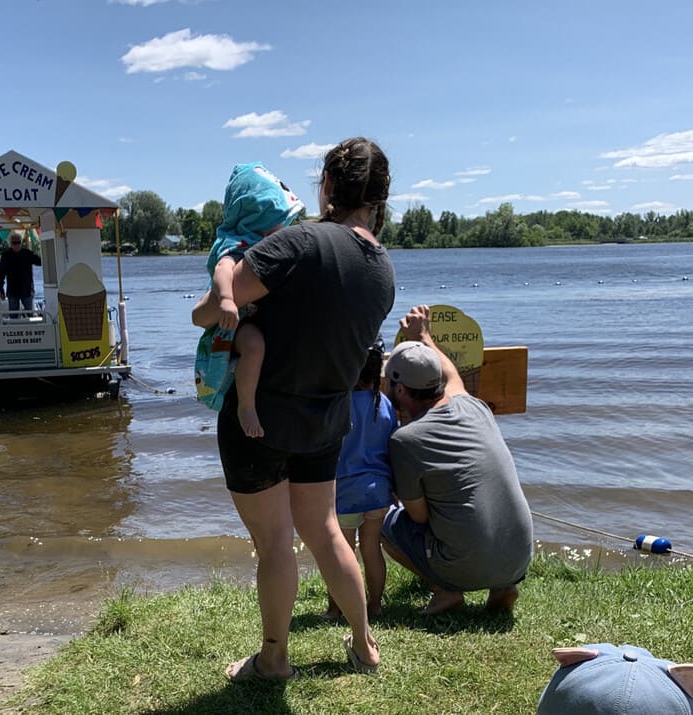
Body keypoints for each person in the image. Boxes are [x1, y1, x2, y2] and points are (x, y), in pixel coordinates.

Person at [192, 137, 395, 681]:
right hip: (326, 420)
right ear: (380, 198)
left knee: (275, 544)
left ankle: (274, 658)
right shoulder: (382, 269)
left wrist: (205, 306)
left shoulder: (297, 244)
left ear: (327, 185)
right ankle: (363, 644)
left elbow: (213, 308)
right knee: (325, 530)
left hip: (258, 418)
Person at [380, 304, 533, 615]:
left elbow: (419, 518)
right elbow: (452, 375)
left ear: (398, 388)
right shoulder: (473, 407)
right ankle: (503, 586)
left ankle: (446, 590)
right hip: (519, 560)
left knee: (386, 525)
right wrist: (424, 335)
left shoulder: (405, 440)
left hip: (463, 568)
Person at [193, 162, 304, 437]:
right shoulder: (238, 242)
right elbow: (223, 269)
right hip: (234, 320)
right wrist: (228, 299)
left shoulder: (270, 243)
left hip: (251, 316)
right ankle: (246, 405)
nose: (283, 227)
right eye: (277, 220)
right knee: (254, 345)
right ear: (257, 218)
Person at [323, 338, 398, 621]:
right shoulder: (386, 404)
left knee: (341, 551)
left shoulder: (339, 405)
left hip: (345, 492)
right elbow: (392, 445)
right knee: (372, 549)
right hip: (378, 491)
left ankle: (335, 608)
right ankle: (376, 605)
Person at [0, 230, 42, 315]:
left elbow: (40, 262)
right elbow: (1, 274)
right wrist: (1, 290)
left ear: (21, 243)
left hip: (27, 290)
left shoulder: (27, 254)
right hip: (12, 291)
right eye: (14, 243)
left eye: (18, 242)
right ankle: (13, 328)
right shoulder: (6, 256)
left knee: (31, 314)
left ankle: (32, 328)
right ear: (10, 244)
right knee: (13, 314)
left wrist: (42, 249)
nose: (16, 245)